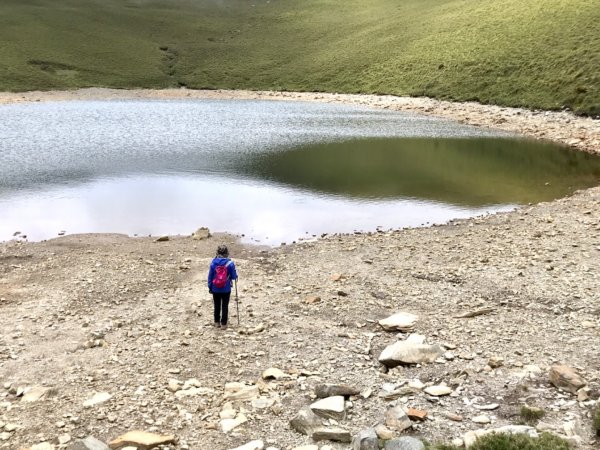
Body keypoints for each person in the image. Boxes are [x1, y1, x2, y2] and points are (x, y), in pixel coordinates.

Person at [207, 245, 238, 329]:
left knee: (217, 305)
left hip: (215, 288)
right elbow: (234, 277)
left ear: (217, 252)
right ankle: (224, 324)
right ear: (227, 253)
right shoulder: (230, 263)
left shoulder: (213, 263)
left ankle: (216, 322)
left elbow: (210, 277)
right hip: (226, 288)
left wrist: (210, 287)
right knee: (225, 306)